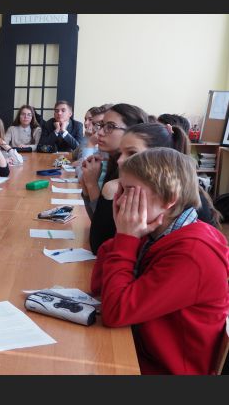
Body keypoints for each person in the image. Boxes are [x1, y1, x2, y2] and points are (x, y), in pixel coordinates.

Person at [90, 147, 229, 374]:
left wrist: (126, 238)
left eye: (130, 192)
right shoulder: (156, 233)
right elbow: (99, 287)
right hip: (140, 351)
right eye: (121, 190)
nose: (121, 199)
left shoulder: (193, 254)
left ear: (168, 199)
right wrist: (122, 232)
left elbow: (115, 311)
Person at [88, 123, 223, 253]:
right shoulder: (150, 215)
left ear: (157, 158)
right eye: (120, 153)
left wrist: (93, 186)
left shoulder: (190, 231)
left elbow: (100, 247)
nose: (120, 160)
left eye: (132, 153)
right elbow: (102, 249)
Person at [80, 103, 148, 221]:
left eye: (110, 127)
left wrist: (91, 184)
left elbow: (103, 227)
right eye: (101, 125)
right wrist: (86, 185)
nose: (100, 132)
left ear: (132, 131)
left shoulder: (134, 176)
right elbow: (95, 222)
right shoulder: (112, 163)